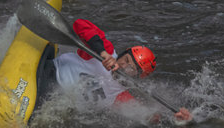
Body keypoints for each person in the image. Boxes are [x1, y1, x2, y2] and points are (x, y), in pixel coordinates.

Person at [37, 19, 192, 122]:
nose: (124, 67)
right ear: (123, 54)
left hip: (53, 101)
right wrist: (101, 52)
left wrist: (178, 119)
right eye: (125, 61)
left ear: (137, 77)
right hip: (49, 73)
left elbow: (150, 117)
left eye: (131, 69)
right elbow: (80, 24)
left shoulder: (121, 96)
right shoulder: (107, 51)